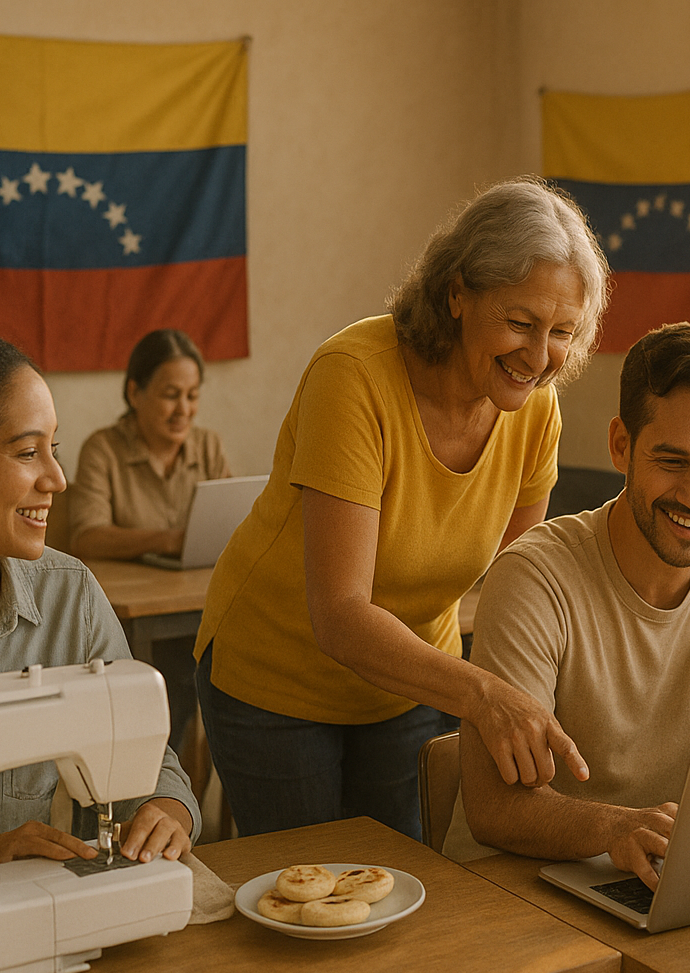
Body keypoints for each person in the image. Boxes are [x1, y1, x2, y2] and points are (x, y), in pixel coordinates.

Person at [193, 176, 606, 842]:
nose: (538, 357)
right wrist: (482, 695)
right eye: (521, 323)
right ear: (456, 295)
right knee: (310, 899)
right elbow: (341, 616)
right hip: (277, 678)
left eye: (562, 332)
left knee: (407, 891)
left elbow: (516, 585)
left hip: (412, 683)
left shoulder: (535, 409)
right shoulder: (353, 376)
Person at [447, 322, 690, 885]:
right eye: (672, 460)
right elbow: (494, 809)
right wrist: (614, 829)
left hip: (664, 874)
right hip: (518, 887)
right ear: (620, 445)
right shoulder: (534, 577)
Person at [0, 325, 200, 865]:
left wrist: (167, 807)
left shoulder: (69, 598)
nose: (57, 478)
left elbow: (145, 751)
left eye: (55, 449)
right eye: (28, 452)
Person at [70, 328, 231, 756]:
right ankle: (160, 782)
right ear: (135, 392)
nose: (184, 410)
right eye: (170, 395)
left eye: (193, 396)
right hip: (130, 620)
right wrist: (170, 540)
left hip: (202, 608)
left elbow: (235, 526)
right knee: (177, 673)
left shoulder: (208, 446)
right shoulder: (102, 449)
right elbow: (86, 536)